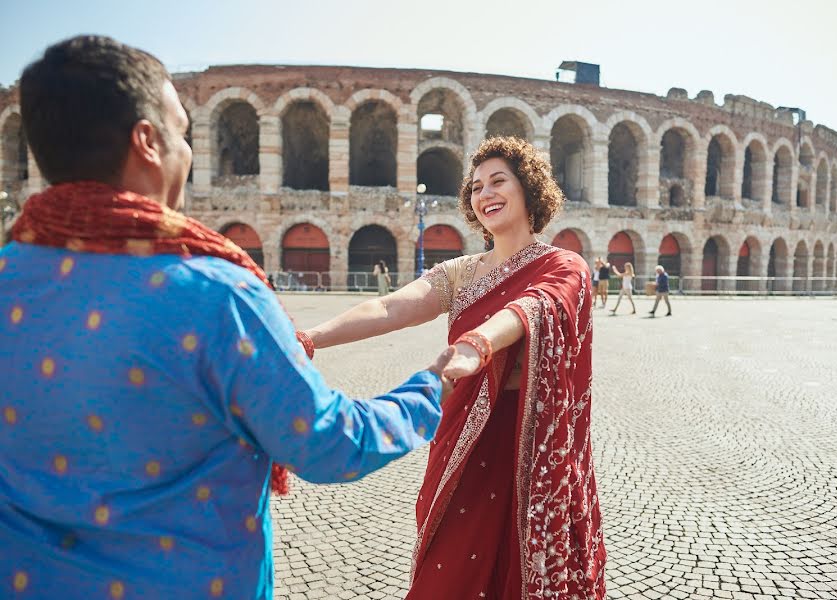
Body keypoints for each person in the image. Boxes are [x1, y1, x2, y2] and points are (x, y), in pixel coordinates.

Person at [0, 36, 453, 600]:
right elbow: (329, 443)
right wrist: (429, 389)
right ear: (147, 142)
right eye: (183, 135)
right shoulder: (218, 296)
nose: (189, 154)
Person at [303, 137, 606, 599]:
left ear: (529, 189)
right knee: (450, 571)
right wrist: (311, 337)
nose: (485, 194)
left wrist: (477, 344)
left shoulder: (563, 265)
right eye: (476, 186)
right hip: (463, 441)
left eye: (498, 181)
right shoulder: (462, 272)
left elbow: (534, 307)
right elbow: (389, 308)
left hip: (526, 448)